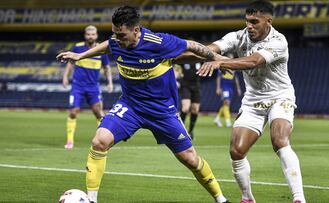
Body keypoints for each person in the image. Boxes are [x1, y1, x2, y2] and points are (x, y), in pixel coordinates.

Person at [57, 6, 229, 203]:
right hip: (131, 106)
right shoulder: (117, 41)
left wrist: (219, 60)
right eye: (114, 33)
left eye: (121, 35)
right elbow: (108, 44)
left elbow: (191, 46)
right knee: (99, 141)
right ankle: (92, 200)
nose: (117, 39)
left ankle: (220, 199)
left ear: (136, 30)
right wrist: (80, 56)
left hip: (161, 110)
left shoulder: (159, 42)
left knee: (190, 159)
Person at [194, 1, 306, 202]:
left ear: (268, 21)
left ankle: (299, 198)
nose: (249, 26)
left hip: (280, 96)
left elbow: (253, 61)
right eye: (247, 21)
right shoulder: (238, 36)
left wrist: (220, 62)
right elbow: (211, 48)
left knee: (279, 140)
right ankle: (247, 198)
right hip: (253, 100)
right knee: (237, 151)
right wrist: (194, 51)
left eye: (255, 22)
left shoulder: (279, 41)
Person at [62, 25, 113, 150]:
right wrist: (65, 77)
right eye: (88, 34)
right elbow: (70, 64)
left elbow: (106, 68)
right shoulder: (78, 47)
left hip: (93, 87)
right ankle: (69, 141)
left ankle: (103, 140)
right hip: (77, 86)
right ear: (85, 35)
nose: (90, 36)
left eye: (93, 34)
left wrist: (110, 82)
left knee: (98, 113)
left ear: (96, 35)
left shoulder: (101, 49)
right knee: (73, 112)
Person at [179, 62, 202, 139]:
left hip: (196, 86)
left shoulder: (200, 59)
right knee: (185, 108)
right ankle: (180, 130)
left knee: (195, 110)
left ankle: (191, 131)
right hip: (186, 85)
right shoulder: (185, 58)